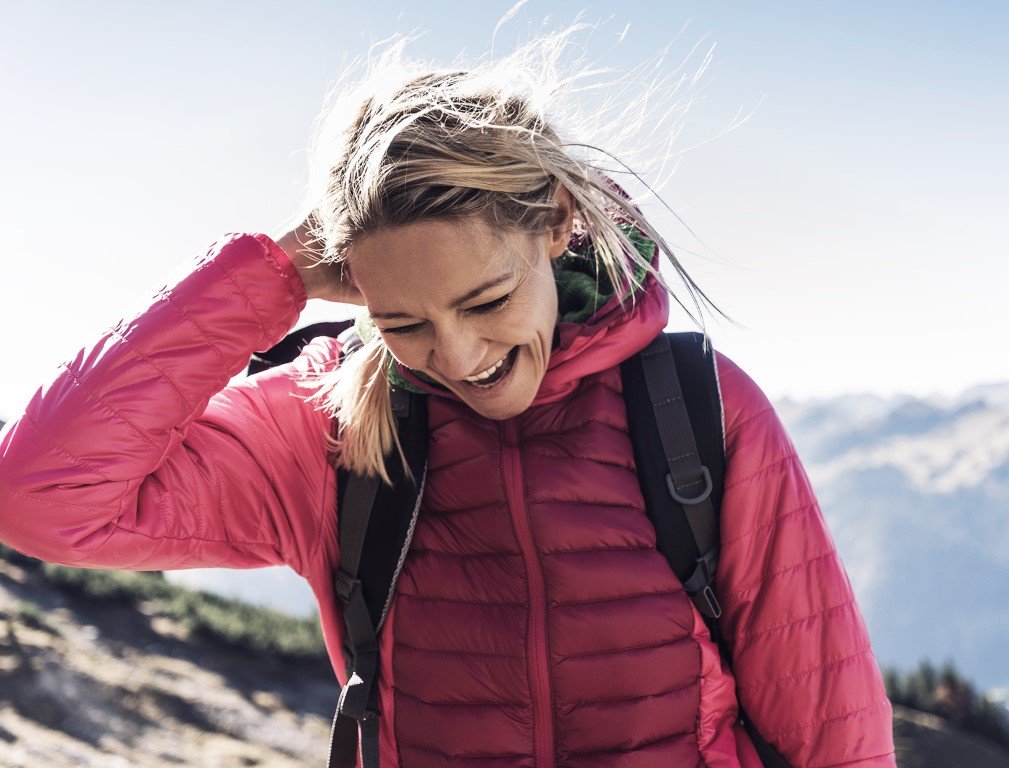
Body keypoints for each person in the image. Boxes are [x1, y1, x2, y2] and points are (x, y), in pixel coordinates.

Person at [0, 29, 896, 768]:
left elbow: (832, 733)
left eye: (486, 301)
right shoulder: (329, 427)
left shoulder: (697, 411)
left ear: (553, 224)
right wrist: (270, 277)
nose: (459, 356)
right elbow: (38, 500)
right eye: (402, 320)